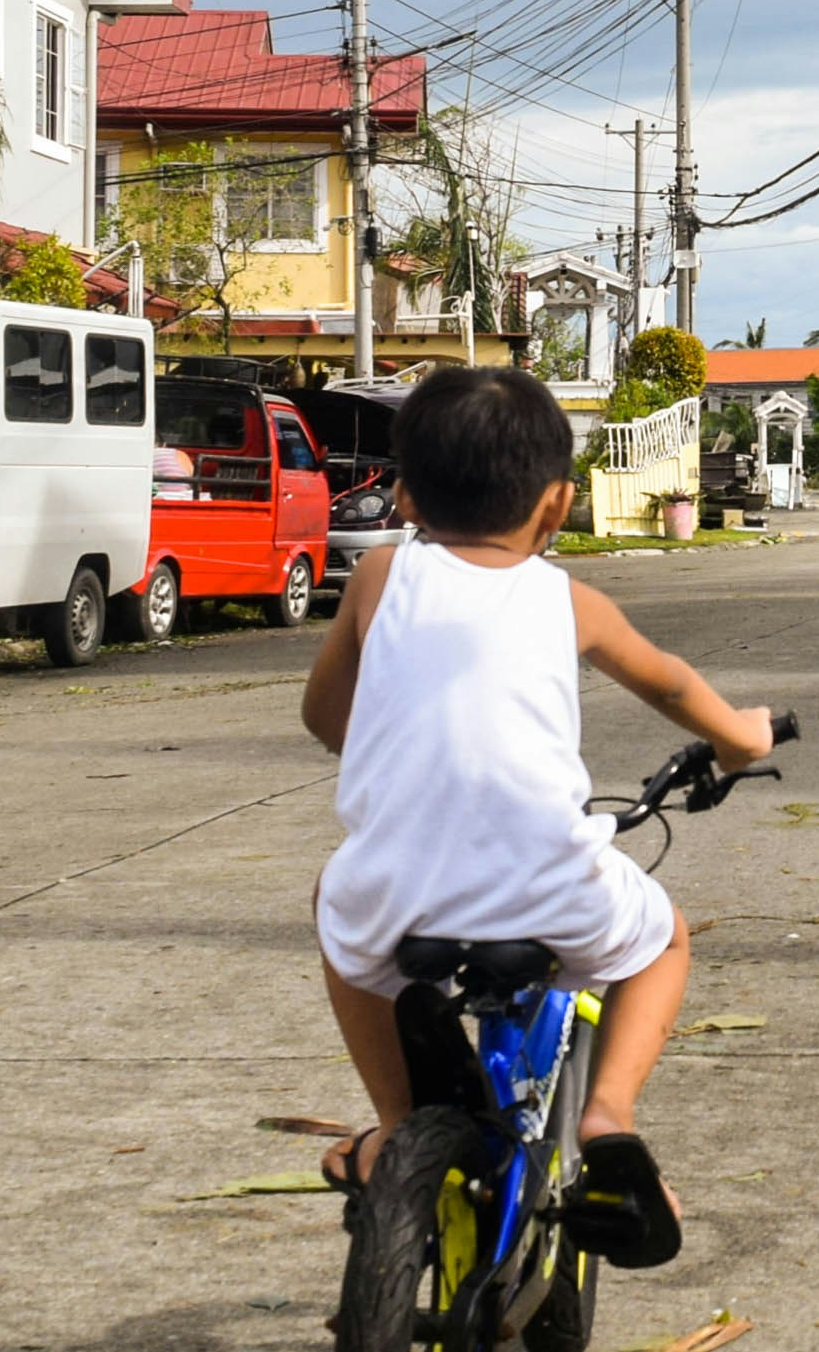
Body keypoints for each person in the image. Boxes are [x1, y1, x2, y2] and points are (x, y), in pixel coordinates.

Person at [298, 364, 771, 1261]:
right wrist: (741, 739)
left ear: (402, 495)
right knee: (665, 940)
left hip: (398, 896)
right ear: (557, 507)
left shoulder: (378, 581)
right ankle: (608, 1120)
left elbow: (326, 718)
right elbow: (669, 681)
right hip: (553, 888)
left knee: (336, 904)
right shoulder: (570, 599)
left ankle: (398, 1127)